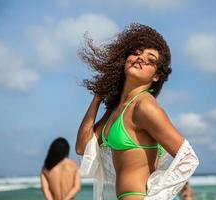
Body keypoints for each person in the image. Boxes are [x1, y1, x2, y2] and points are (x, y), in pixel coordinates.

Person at [76, 23, 199, 200]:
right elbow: (82, 147)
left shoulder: (144, 107)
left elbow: (188, 158)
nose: (140, 58)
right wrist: (97, 97)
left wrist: (155, 195)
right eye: (136, 52)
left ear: (156, 76)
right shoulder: (117, 109)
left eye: (151, 60)